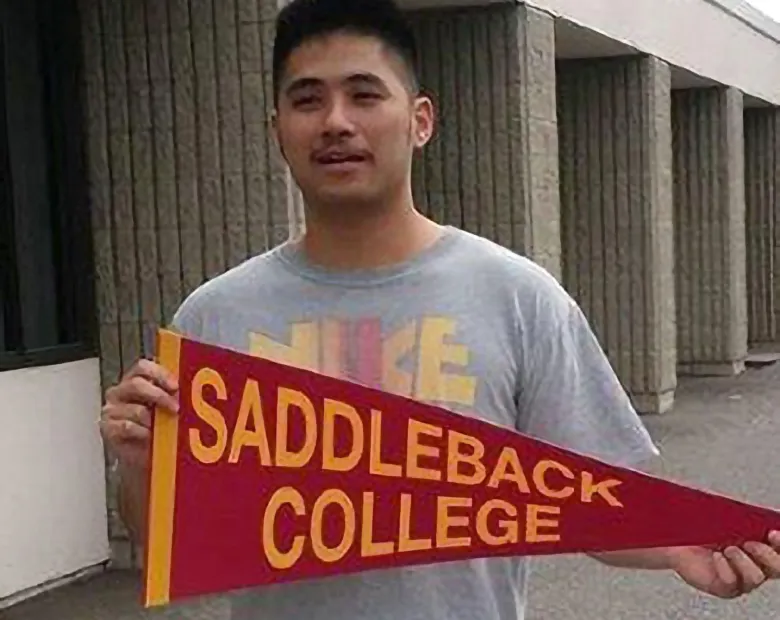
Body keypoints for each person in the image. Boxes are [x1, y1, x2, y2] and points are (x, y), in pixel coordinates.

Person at [99, 0, 780, 617]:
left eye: (364, 95)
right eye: (308, 100)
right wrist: (138, 461)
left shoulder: (517, 298)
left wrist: (679, 542)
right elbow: (168, 535)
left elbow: (589, 501)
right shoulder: (213, 318)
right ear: (277, 130)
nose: (336, 122)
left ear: (420, 121)